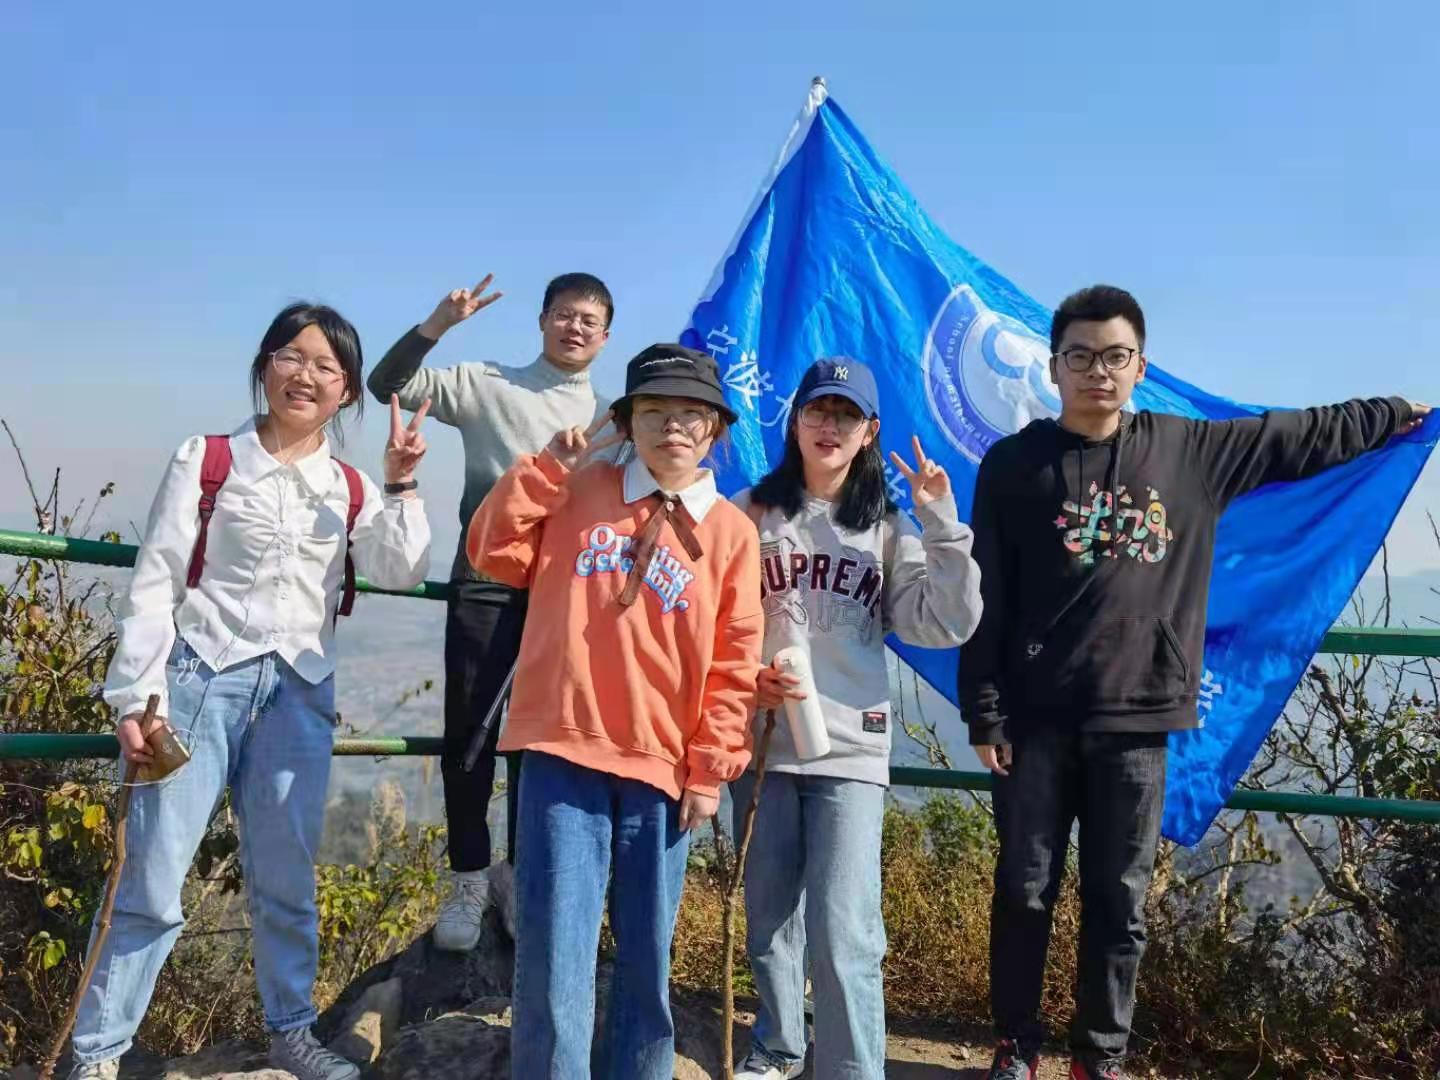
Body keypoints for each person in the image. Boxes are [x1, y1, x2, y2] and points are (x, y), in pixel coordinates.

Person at [959, 284, 1432, 1080]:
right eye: (1081, 356)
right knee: (1023, 890)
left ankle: (1098, 1057)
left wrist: (1391, 413)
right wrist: (986, 712)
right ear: (1054, 365)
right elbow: (988, 597)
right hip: (1035, 720)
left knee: (1119, 900)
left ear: (1140, 366)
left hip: (1139, 721)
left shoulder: (1190, 453)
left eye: (1115, 356)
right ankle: (1017, 1044)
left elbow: (1299, 436)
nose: (1098, 372)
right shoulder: (1013, 465)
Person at [70, 303, 433, 1080]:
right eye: (291, 356)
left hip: (299, 691)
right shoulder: (207, 460)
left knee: (286, 877)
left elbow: (401, 569)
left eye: (327, 367)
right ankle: (98, 1055)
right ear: (265, 366)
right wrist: (135, 696)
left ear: (347, 391)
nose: (306, 376)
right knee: (151, 880)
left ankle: (290, 1032)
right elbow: (158, 580)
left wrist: (401, 482)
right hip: (197, 682)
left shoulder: (349, 486)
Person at [467, 343, 763, 1079]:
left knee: (647, 957)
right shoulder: (576, 488)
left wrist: (711, 767)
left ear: (715, 429)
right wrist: (546, 468)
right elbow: (491, 551)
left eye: (692, 413)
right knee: (554, 951)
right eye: (654, 412)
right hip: (562, 746)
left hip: (665, 766)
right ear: (625, 423)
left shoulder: (731, 531)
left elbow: (735, 659)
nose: (674, 427)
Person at [729, 358, 984, 1080]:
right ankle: (778, 1047)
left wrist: (942, 524)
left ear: (869, 432)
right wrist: (746, 681)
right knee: (769, 916)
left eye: (847, 415)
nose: (830, 426)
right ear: (796, 421)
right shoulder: (749, 513)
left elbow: (946, 623)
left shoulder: (888, 527)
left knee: (844, 928)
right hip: (764, 741)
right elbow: (716, 620)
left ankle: (850, 1067)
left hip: (850, 745)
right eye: (818, 410)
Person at [366, 272, 613, 952]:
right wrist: (437, 324)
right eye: (564, 314)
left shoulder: (614, 417)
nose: (575, 327)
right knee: (471, 733)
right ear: (543, 320)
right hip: (485, 577)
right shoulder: (485, 382)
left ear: (605, 336)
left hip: (567, 591)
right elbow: (386, 385)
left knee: (543, 743)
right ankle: (470, 878)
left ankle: (525, 878)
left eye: (589, 320)